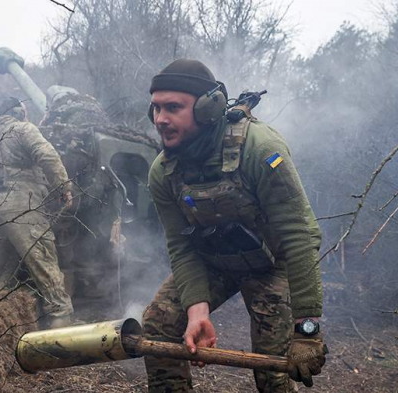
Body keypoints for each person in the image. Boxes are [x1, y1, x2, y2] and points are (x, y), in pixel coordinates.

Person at [142, 60, 327, 392]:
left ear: (207, 108)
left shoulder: (260, 149)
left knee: (274, 369)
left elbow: (299, 236)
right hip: (215, 261)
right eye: (155, 108)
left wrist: (308, 329)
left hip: (270, 264)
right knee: (159, 323)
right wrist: (197, 311)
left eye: (173, 108)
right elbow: (181, 246)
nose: (160, 120)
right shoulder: (163, 171)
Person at [0, 97, 73, 329]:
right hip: (21, 207)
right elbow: (47, 155)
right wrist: (63, 187)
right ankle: (62, 332)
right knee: (47, 272)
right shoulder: (22, 129)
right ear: (18, 112)